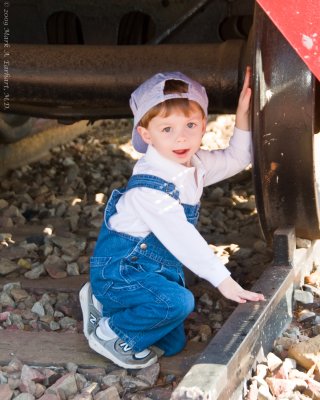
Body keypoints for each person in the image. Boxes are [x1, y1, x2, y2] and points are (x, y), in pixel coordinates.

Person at [79, 68, 265, 369]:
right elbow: (183, 238)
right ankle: (110, 333)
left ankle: (104, 306)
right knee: (177, 303)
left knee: (173, 343)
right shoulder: (150, 188)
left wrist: (242, 113)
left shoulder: (194, 163)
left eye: (190, 124)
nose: (181, 137)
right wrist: (224, 281)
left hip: (152, 272)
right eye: (167, 129)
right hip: (121, 272)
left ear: (204, 125)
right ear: (145, 134)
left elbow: (237, 159)